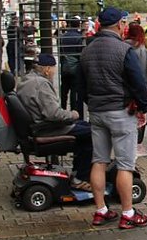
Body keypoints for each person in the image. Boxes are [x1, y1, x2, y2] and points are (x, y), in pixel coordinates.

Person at [80, 7, 147, 229]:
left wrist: (91, 104)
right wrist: (143, 107)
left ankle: (101, 210)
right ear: (120, 25)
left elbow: (80, 87)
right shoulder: (123, 50)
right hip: (121, 113)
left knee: (99, 161)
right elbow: (139, 83)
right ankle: (128, 213)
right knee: (125, 164)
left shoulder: (87, 50)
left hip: (97, 112)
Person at [18, 53, 93, 190]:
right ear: (47, 69)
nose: (54, 71)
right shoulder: (41, 84)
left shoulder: (26, 79)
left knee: (84, 127)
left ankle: (78, 170)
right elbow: (53, 114)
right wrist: (72, 114)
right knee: (92, 133)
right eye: (53, 68)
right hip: (47, 128)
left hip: (36, 125)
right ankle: (80, 177)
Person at [124, 21, 147, 157]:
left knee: (128, 115)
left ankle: (129, 144)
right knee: (141, 116)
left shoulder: (123, 45)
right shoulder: (141, 48)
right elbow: (144, 70)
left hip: (125, 88)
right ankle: (137, 145)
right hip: (140, 86)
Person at [59, 16, 85, 116]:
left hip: (65, 67)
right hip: (76, 68)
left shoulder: (62, 37)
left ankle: (63, 110)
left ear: (69, 24)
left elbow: (61, 53)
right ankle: (74, 112)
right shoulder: (80, 37)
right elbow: (81, 53)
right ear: (78, 25)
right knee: (74, 92)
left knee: (64, 90)